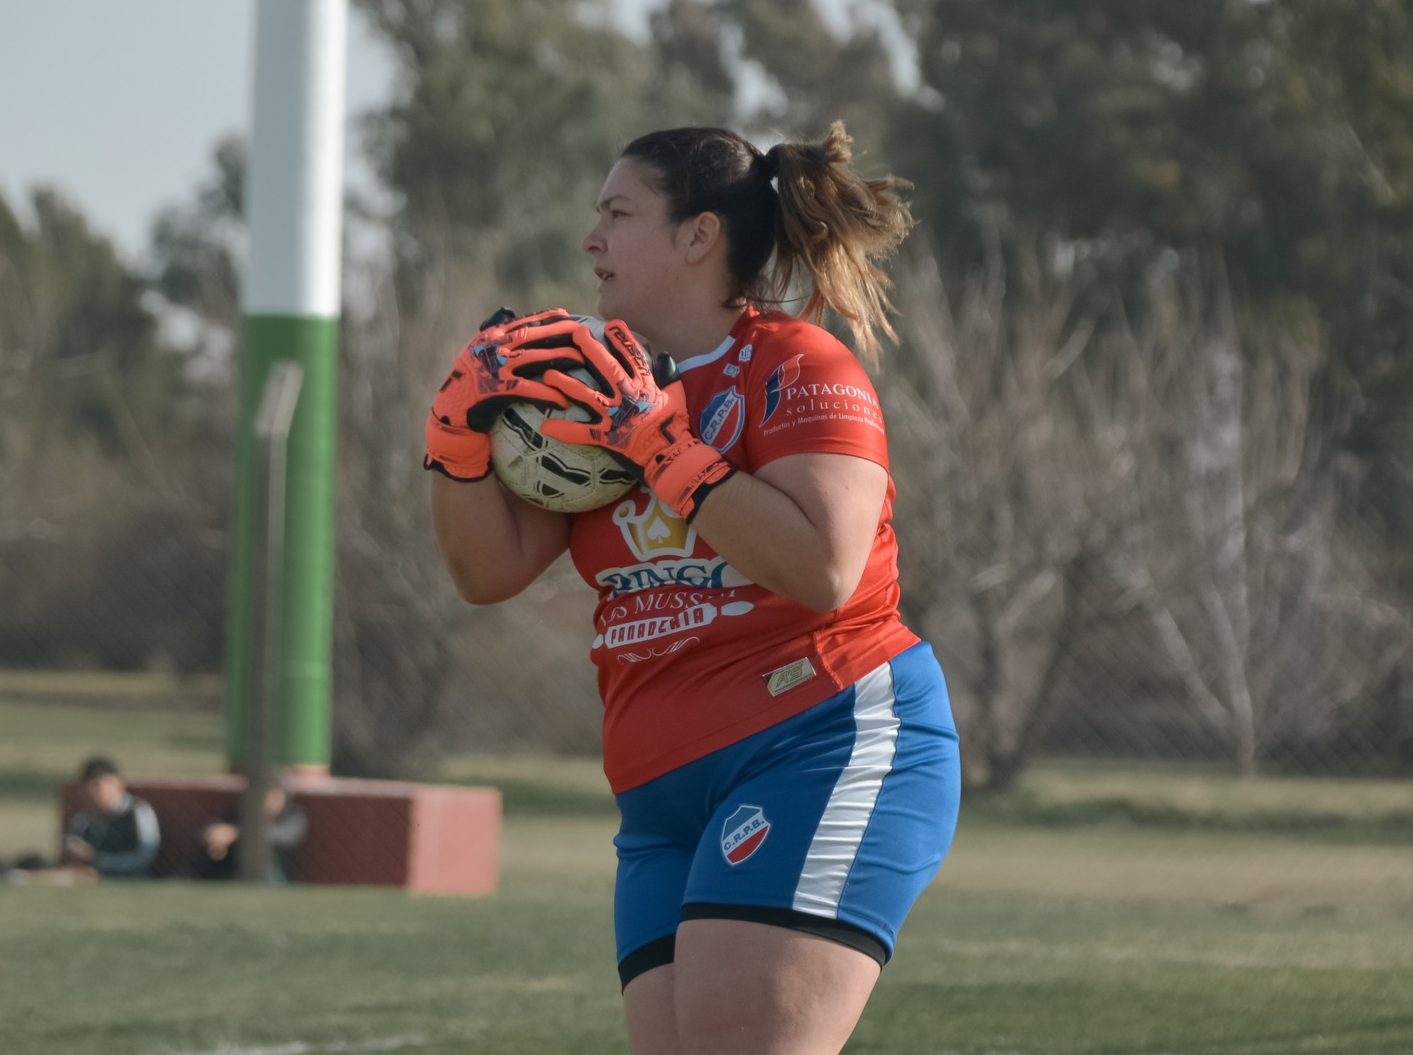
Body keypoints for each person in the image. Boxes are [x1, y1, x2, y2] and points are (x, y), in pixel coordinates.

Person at [424, 122, 961, 1054]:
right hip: (661, 800)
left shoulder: (798, 364)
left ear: (697, 236)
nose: (590, 240)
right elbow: (487, 571)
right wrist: (454, 438)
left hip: (818, 741)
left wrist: (663, 447)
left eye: (617, 213)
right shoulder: (595, 387)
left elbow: (822, 568)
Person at [194, 772, 307, 883]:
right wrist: (215, 838)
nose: (268, 800)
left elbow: (280, 837)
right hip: (231, 875)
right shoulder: (243, 815)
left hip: (272, 879)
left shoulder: (293, 818)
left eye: (274, 795)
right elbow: (218, 828)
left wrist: (236, 834)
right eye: (264, 795)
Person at [60, 756, 161, 878]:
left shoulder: (137, 811)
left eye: (97, 785)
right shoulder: (83, 819)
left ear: (118, 784)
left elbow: (144, 857)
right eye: (86, 786)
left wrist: (98, 861)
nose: (91, 792)